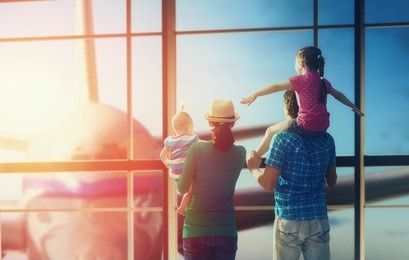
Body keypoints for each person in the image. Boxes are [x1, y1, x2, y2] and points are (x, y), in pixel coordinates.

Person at [246, 89, 337, 260]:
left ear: (287, 109)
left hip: (289, 218)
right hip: (318, 217)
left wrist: (252, 168)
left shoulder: (282, 139)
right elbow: (332, 181)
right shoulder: (327, 139)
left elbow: (267, 183)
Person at [241, 46, 364, 158]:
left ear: (300, 64)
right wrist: (353, 106)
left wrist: (255, 94)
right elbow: (338, 95)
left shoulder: (299, 80)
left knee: (270, 131)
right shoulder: (323, 82)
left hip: (306, 125)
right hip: (323, 126)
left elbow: (276, 87)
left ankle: (255, 156)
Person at [175, 99, 246, 260]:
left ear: (210, 122)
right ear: (233, 124)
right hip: (226, 231)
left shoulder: (196, 149)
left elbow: (182, 188)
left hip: (195, 231)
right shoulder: (241, 153)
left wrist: (173, 169)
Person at [160, 105, 199, 215]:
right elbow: (201, 144)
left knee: (185, 190)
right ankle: (182, 208)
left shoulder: (169, 140)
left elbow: (162, 155)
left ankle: (183, 207)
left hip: (174, 173)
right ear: (188, 126)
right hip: (185, 173)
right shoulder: (191, 139)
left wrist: (167, 162)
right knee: (191, 192)